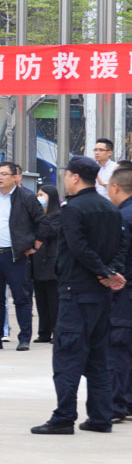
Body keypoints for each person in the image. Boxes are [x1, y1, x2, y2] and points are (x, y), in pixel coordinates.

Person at [31, 155, 127, 434]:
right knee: (98, 358)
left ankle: (64, 417)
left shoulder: (72, 209)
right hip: (101, 295)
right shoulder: (109, 208)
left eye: (66, 175)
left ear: (74, 177)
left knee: (67, 356)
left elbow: (78, 247)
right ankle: (100, 417)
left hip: (76, 293)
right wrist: (111, 272)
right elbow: (122, 245)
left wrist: (104, 272)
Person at [0, 162, 49, 351]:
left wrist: (35, 246)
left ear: (15, 177)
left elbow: (43, 223)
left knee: (21, 299)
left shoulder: (26, 197)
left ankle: (24, 338)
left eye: (4, 174)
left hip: (15, 255)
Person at [105, 169, 132, 420]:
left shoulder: (122, 217)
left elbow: (119, 256)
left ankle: (117, 404)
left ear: (115, 187)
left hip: (126, 292)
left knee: (118, 347)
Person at [31, 184, 62, 343]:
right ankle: (43, 332)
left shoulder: (58, 215)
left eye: (42, 194)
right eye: (38, 194)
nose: (39, 198)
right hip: (36, 261)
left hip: (51, 261)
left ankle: (57, 332)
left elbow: (50, 232)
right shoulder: (36, 216)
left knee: (54, 300)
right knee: (41, 300)